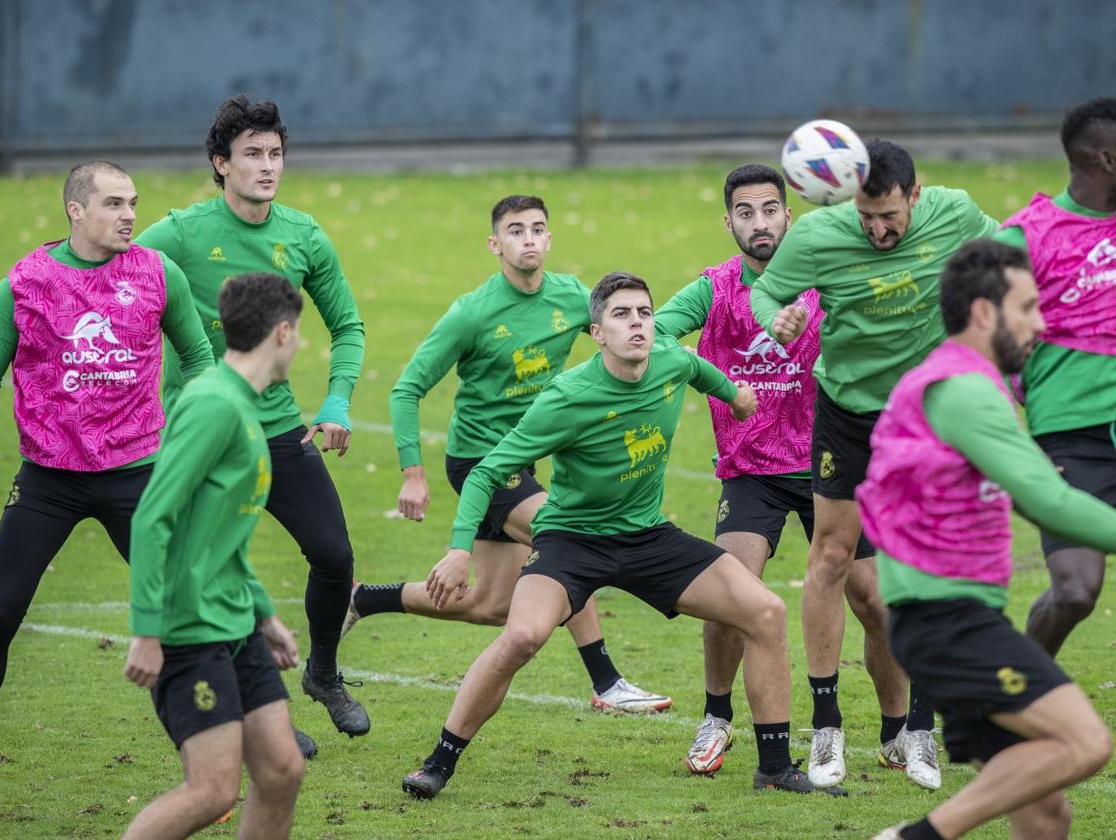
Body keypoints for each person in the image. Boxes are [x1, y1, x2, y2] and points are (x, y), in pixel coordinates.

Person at [402, 272, 841, 800]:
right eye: (622, 314)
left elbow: (703, 372)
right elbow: (485, 472)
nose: (637, 322)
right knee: (521, 636)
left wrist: (737, 397)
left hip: (648, 537)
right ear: (597, 333)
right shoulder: (566, 396)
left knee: (766, 612)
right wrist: (457, 550)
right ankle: (438, 763)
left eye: (645, 313)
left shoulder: (671, 362)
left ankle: (773, 767)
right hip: (571, 541)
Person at [0, 161, 214, 826]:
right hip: (49, 479)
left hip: (138, 477)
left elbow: (200, 362)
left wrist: (185, 440)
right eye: (113, 203)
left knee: (186, 616)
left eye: (133, 202)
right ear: (75, 211)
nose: (130, 214)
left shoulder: (158, 275)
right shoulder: (25, 283)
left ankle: (207, 773)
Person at [655, 164, 927, 786]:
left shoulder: (825, 279)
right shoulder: (713, 288)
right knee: (730, 594)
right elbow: (657, 337)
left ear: (789, 215)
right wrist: (718, 383)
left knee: (876, 600)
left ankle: (894, 732)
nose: (759, 223)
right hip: (750, 471)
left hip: (831, 463)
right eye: (745, 213)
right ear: (729, 223)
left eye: (770, 210)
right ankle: (716, 716)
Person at [345, 195, 670, 712]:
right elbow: (405, 389)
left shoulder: (571, 298)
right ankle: (607, 683)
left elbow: (630, 327)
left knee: (489, 605)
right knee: (569, 537)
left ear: (549, 239)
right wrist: (412, 471)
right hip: (480, 462)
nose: (529, 240)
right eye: (515, 231)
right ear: (495, 244)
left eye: (538, 229)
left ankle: (362, 597)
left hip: (525, 460)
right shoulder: (471, 313)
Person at [750, 139, 997, 787]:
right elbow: (765, 291)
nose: (878, 229)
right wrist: (773, 319)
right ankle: (827, 727)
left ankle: (921, 731)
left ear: (916, 196)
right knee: (832, 556)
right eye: (866, 218)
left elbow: (1013, 253)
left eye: (889, 216)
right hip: (849, 413)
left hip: (925, 415)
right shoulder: (818, 235)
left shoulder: (956, 212)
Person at [863, 240, 1116, 840]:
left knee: (1046, 812)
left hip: (950, 620)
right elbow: (1047, 500)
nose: (1041, 322)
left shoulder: (966, 384)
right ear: (984, 313)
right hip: (948, 625)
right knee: (1085, 741)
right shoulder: (965, 390)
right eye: (1027, 307)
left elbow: (1031, 488)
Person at [136, 95, 368, 746]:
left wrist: (338, 400)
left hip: (277, 425)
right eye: (252, 155)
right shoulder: (181, 233)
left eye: (275, 154)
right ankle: (265, 712)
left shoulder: (303, 235)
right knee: (213, 565)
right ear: (221, 163)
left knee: (333, 554)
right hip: (206, 428)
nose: (268, 167)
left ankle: (322, 672)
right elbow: (122, 279)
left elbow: (347, 325)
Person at [122, 273, 308, 839]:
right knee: (211, 791)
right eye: (298, 333)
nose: (300, 344)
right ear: (281, 333)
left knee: (281, 769)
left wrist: (264, 613)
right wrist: (147, 631)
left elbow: (221, 533)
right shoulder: (213, 406)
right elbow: (154, 517)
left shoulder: (244, 404)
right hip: (189, 630)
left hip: (233, 620)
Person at [993, 97, 1116, 657]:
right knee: (1075, 591)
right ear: (1107, 160)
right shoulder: (1026, 238)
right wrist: (1009, 442)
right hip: (1070, 438)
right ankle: (1015, 695)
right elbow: (975, 348)